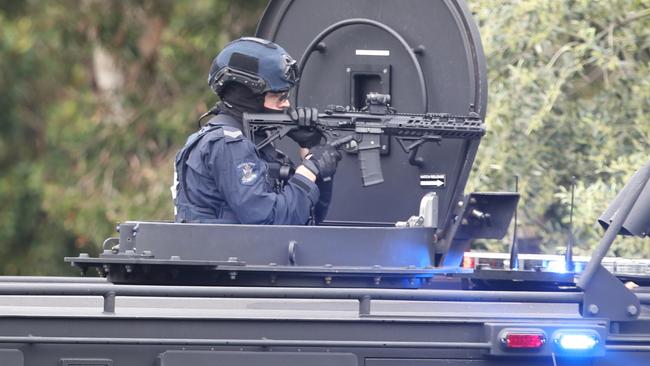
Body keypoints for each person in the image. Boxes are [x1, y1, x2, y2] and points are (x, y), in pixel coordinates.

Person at [172, 37, 342, 225]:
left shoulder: (256, 146)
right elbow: (270, 223)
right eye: (278, 97)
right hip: (226, 252)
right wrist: (309, 168)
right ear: (249, 97)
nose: (286, 104)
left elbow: (305, 219)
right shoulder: (226, 144)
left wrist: (311, 151)